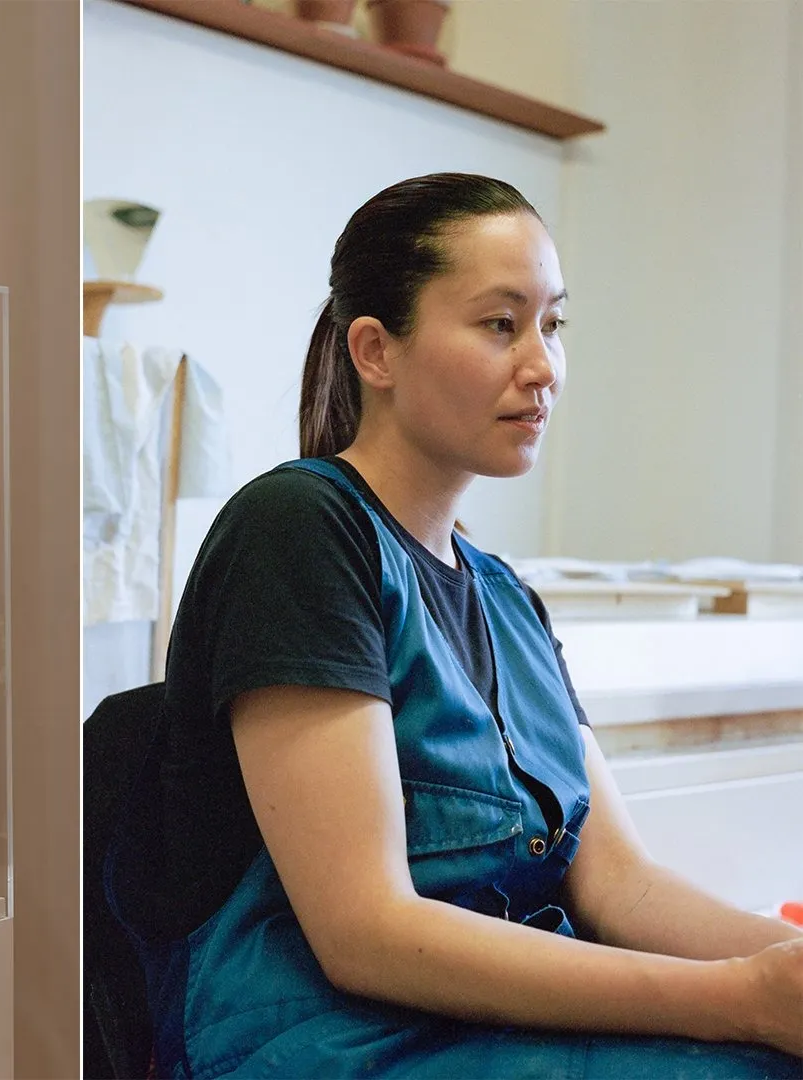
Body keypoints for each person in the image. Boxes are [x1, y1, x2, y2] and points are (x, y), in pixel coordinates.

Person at [104, 173, 803, 1078]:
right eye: (500, 324)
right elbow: (366, 931)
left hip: (494, 1030)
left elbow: (619, 884)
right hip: (329, 1042)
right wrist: (738, 1000)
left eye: (553, 324)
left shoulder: (507, 598)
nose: (542, 366)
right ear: (374, 351)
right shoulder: (299, 529)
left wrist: (778, 966)